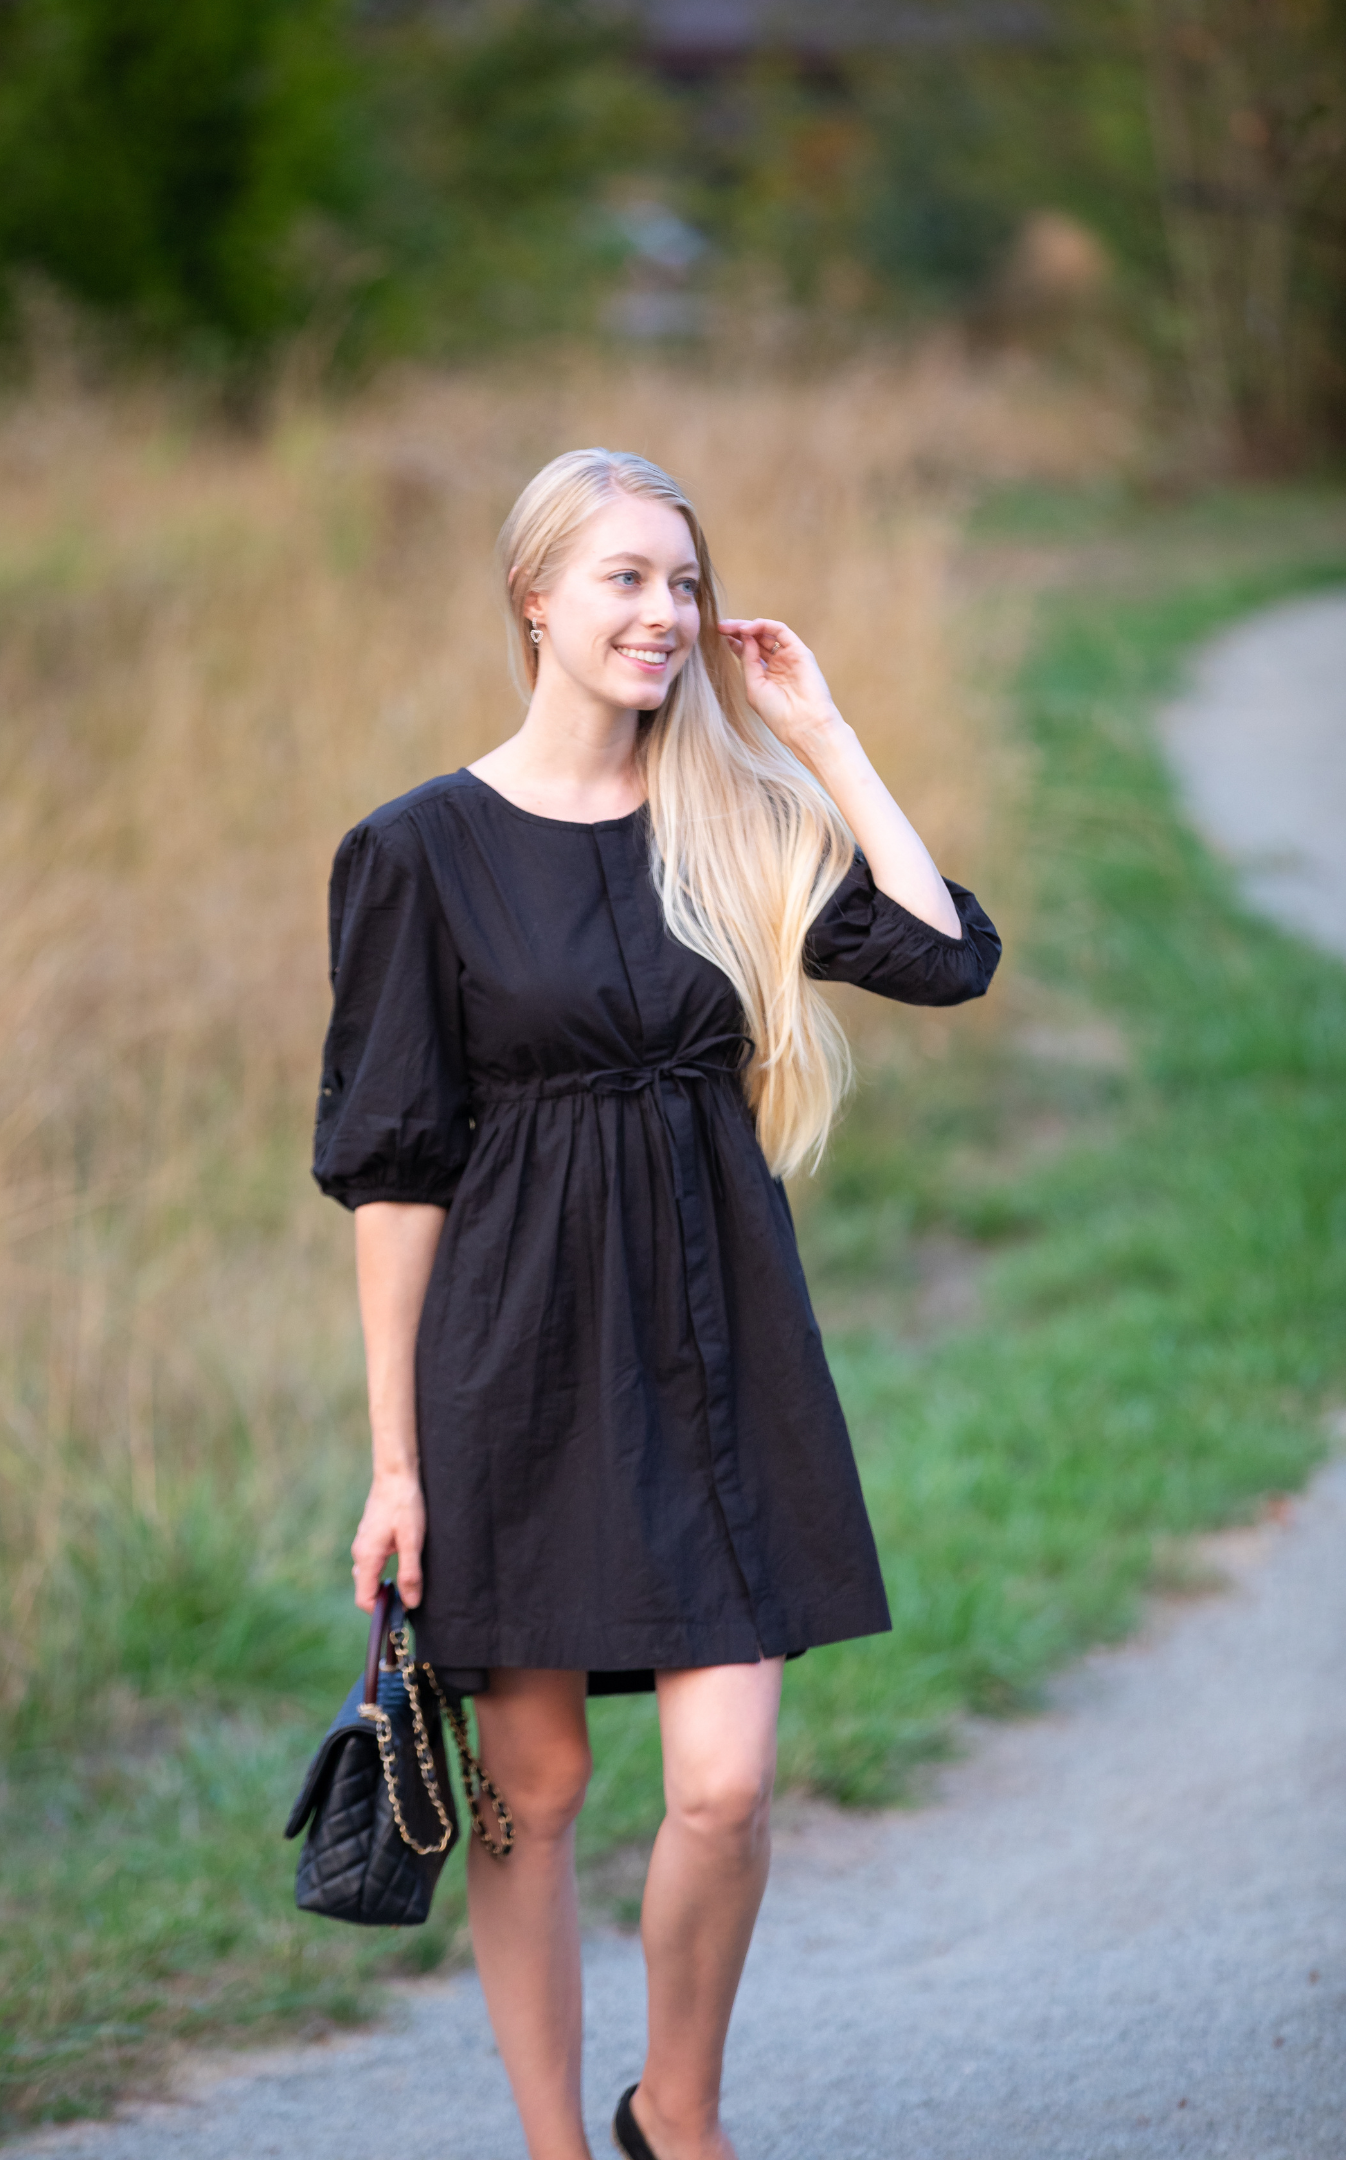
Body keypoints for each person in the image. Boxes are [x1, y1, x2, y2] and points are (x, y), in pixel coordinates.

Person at [313, 448, 1001, 2160]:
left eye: (682, 582)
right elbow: (392, 1176)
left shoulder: (730, 815)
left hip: (717, 1345)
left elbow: (947, 952)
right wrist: (396, 1465)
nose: (666, 614)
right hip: (515, 1366)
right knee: (533, 1796)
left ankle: (672, 2115)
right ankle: (559, 2145)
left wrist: (822, 734)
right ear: (533, 599)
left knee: (726, 1785)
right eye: (625, 578)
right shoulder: (417, 852)